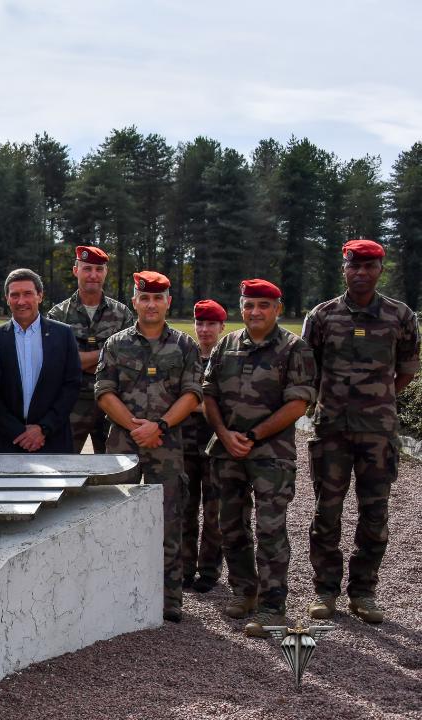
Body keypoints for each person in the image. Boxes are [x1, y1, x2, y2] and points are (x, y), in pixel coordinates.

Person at [303, 239, 420, 624]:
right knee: (326, 512)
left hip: (377, 433)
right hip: (332, 430)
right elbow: (309, 371)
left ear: (380, 269)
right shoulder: (322, 316)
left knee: (375, 514)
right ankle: (325, 590)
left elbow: (405, 371)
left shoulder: (400, 316)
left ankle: (364, 592)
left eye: (369, 266)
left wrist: (374, 400)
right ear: (344, 268)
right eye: (355, 266)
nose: (361, 273)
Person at [203, 280, 316, 637]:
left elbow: (298, 403)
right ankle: (244, 592)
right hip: (228, 451)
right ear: (241, 307)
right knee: (230, 525)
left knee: (270, 529)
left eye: (263, 305)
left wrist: (252, 436)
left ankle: (272, 607)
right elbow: (208, 394)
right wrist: (224, 435)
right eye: (249, 305)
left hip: (272, 455)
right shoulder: (227, 344)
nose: (255, 312)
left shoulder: (294, 348)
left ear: (277, 309)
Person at [95, 270, 202, 623]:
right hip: (123, 446)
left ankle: (168, 600)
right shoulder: (116, 344)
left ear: (168, 301)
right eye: (145, 297)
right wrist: (135, 428)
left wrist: (160, 426)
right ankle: (116, 596)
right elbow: (104, 392)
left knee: (168, 521)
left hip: (167, 445)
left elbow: (192, 394)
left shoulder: (185, 346)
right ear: (135, 301)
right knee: (117, 519)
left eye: (158, 298)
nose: (151, 304)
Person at [48, 246, 135, 453]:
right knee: (65, 466)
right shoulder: (58, 315)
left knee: (113, 469)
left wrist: (80, 361)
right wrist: (108, 354)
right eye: (87, 269)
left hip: (112, 405)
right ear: (76, 270)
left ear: (105, 272)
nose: (93, 275)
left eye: (99, 269)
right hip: (71, 404)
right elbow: (60, 363)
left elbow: (129, 362)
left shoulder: (122, 314)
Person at [0, 268, 82, 453]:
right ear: (7, 299)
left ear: (40, 296)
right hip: (7, 442)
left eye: (28, 294)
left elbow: (71, 385)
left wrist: (43, 428)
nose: (21, 301)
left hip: (53, 440)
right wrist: (17, 431)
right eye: (15, 295)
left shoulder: (63, 335)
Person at [180, 299, 227, 593]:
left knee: (214, 512)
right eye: (200, 323)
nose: (205, 329)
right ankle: (184, 569)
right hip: (185, 443)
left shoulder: (230, 357)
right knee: (184, 508)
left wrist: (194, 404)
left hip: (216, 445)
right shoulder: (184, 355)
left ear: (222, 327)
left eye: (211, 324)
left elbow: (231, 401)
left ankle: (209, 571)